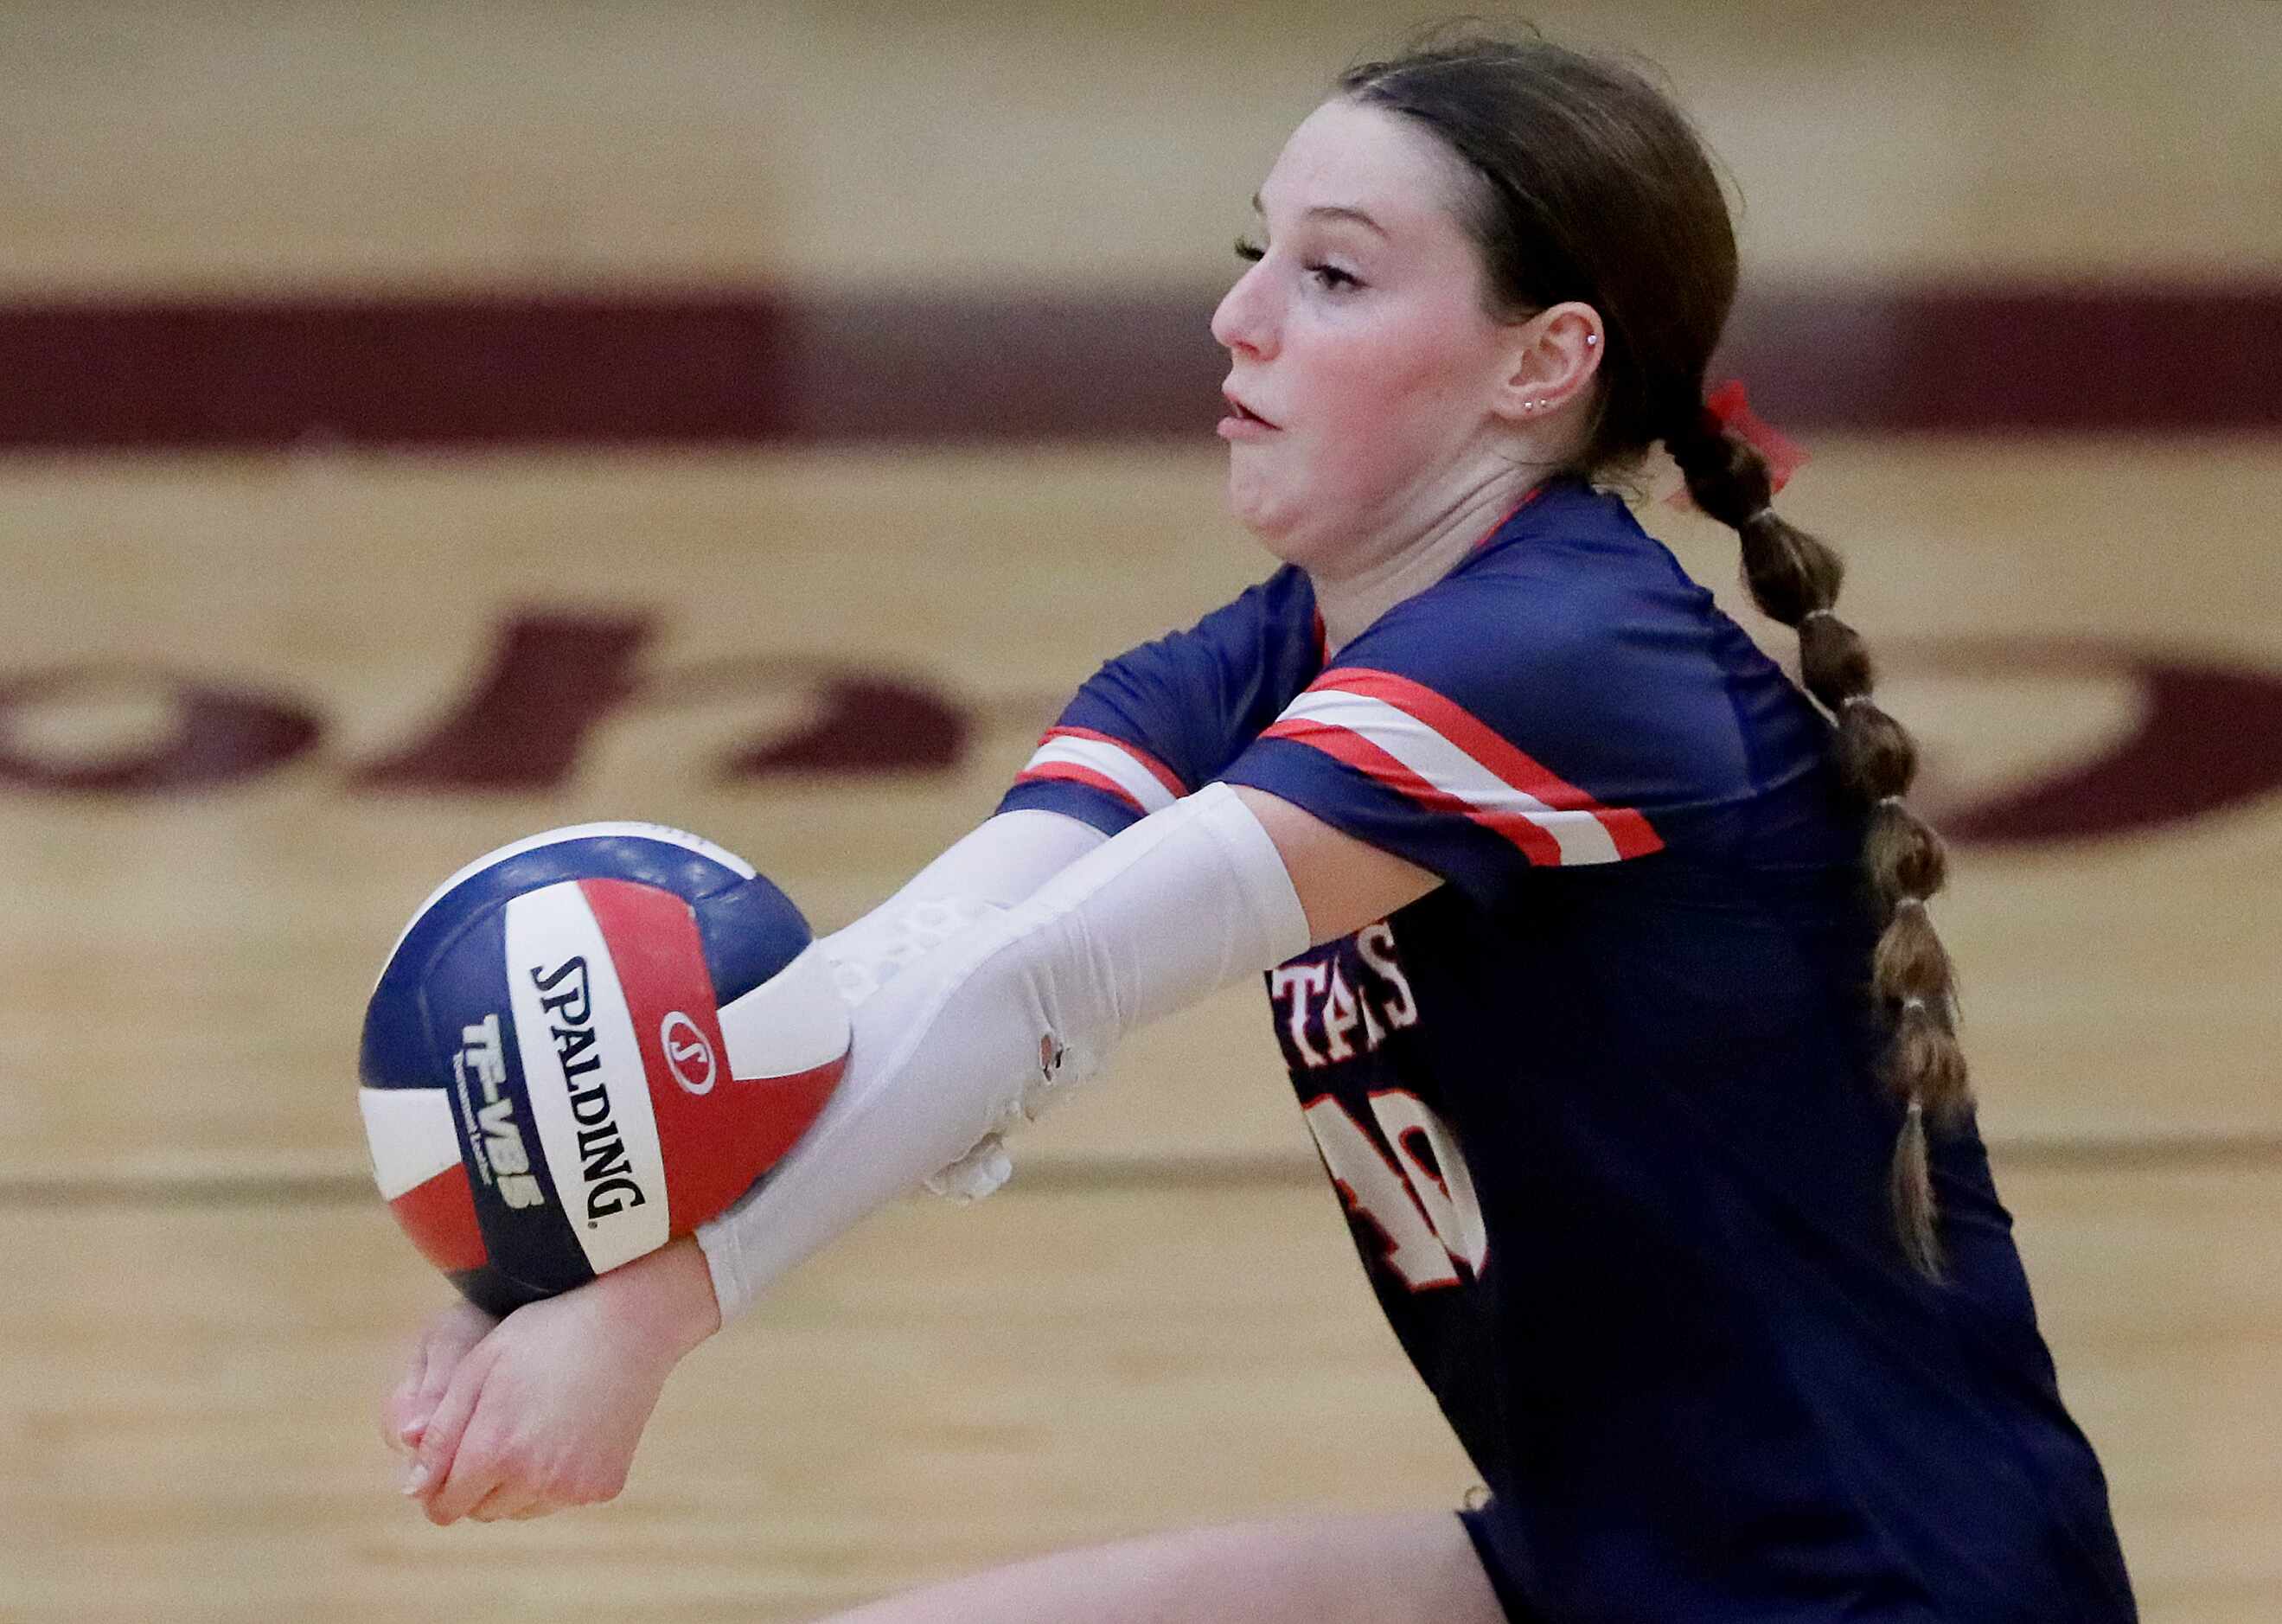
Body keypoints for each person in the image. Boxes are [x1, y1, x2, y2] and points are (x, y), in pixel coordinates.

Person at [380, 32, 2137, 1622]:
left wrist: (661, 1311)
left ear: (1546, 361)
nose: (1242, 318)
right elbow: (938, 953)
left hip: (1880, 1594)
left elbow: (1049, 986)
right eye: (1257, 256)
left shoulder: (1566, 659)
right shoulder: (1274, 647)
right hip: (1597, 1561)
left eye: (1336, 274)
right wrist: (573, 1247)